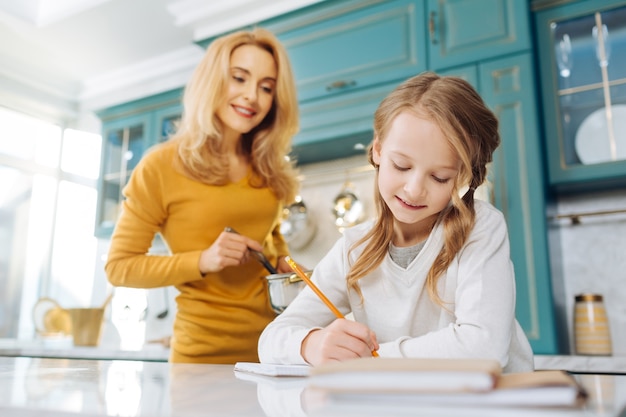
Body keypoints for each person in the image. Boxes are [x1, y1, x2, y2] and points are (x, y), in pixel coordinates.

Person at [258, 72, 534, 373]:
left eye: (439, 177)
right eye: (401, 165)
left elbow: (484, 349)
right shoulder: (354, 248)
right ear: (378, 150)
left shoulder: (481, 227)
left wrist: (371, 360)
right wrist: (311, 344)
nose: (414, 189)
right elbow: (271, 340)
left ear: (462, 177)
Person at [105, 27, 301, 364]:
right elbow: (120, 268)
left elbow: (272, 237)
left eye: (266, 87)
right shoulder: (162, 165)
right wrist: (204, 260)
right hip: (201, 358)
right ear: (212, 81)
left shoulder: (268, 168)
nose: (252, 96)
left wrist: (284, 265)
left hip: (274, 351)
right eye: (239, 78)